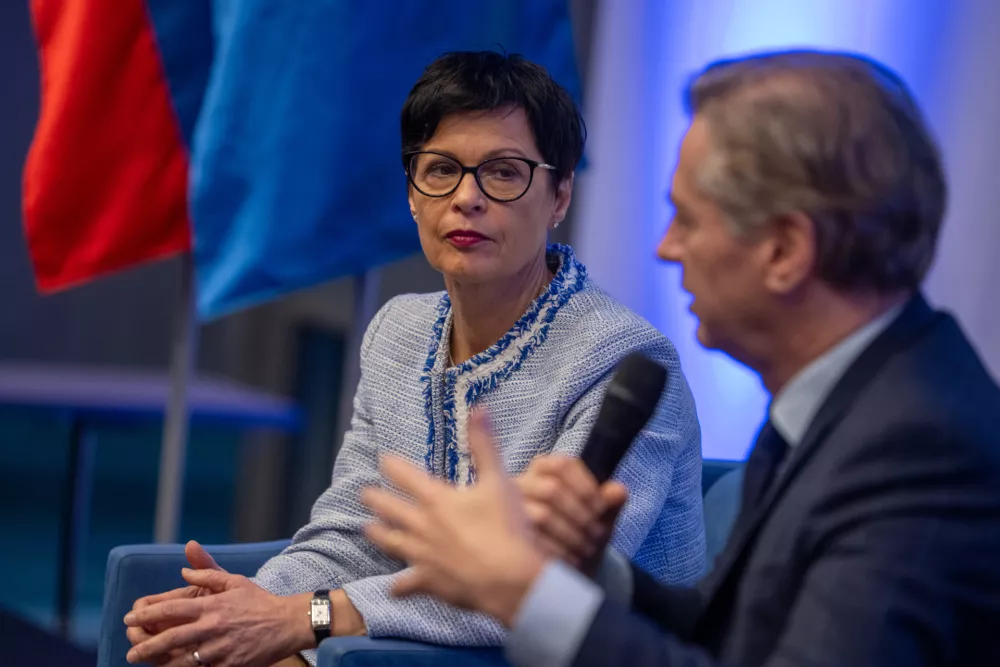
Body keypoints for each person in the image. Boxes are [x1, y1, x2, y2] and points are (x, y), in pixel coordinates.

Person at [359, 50, 1000, 667]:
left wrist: (527, 594)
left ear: (785, 251)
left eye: (687, 220)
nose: (666, 249)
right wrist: (584, 570)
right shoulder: (846, 403)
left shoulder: (919, 449)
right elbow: (728, 633)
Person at [123, 51, 705, 667]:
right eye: (442, 170)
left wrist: (302, 618)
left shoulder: (624, 360)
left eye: (504, 173)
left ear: (560, 195)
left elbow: (534, 587)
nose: (467, 198)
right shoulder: (398, 330)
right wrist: (248, 607)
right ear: (411, 193)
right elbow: (352, 536)